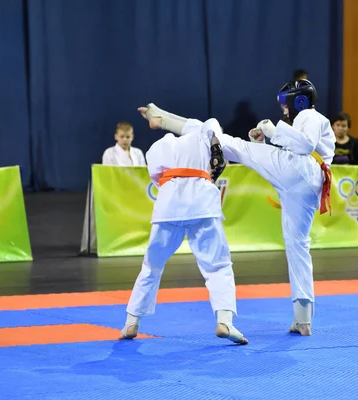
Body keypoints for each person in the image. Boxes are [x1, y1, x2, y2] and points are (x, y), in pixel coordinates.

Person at [142, 79, 335, 336]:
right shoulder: (307, 122)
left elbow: (306, 145)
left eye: (285, 105)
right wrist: (266, 143)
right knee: (297, 244)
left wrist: (271, 130)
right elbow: (299, 147)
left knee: (230, 143)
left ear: (298, 101)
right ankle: (303, 318)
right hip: (309, 183)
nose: (284, 111)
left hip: (301, 169)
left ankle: (163, 120)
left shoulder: (310, 114)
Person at [120, 114, 248, 345]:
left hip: (169, 202)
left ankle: (131, 322)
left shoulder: (159, 146)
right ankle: (225, 321)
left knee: (152, 265)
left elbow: (157, 177)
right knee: (217, 265)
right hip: (202, 200)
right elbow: (217, 147)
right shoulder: (206, 131)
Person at [80, 122, 146, 255]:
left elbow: (143, 172)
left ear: (132, 137)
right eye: (122, 137)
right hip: (116, 192)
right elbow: (108, 174)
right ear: (116, 137)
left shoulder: (137, 153)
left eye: (128, 137)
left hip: (135, 191)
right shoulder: (109, 153)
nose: (125, 140)